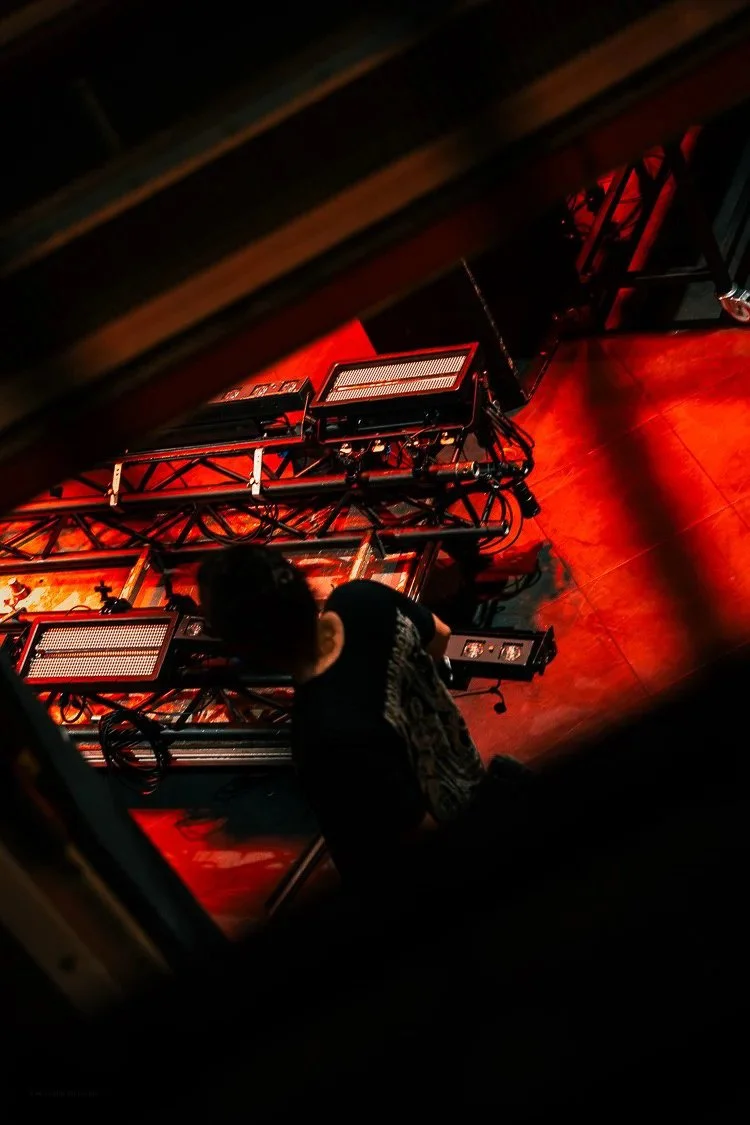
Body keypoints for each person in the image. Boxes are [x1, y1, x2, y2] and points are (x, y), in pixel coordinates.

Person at [197, 544, 487, 887]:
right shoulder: (359, 598)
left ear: (247, 647)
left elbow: (411, 831)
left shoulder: (320, 734)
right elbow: (441, 637)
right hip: (465, 772)